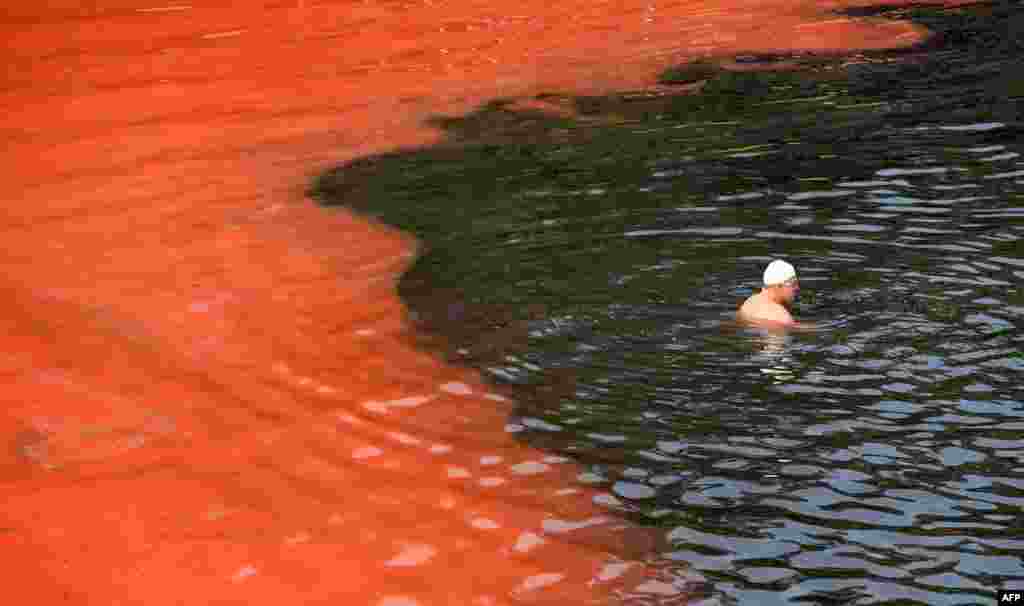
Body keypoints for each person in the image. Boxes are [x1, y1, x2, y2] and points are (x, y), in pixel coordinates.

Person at [737, 259, 800, 328]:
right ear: (778, 286)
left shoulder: (749, 303)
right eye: (793, 284)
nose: (797, 288)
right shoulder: (780, 317)